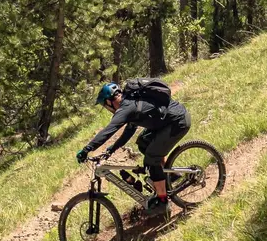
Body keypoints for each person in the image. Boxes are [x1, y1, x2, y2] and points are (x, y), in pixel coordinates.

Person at [76, 80, 191, 215]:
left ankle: (162, 202)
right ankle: (168, 176)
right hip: (168, 122)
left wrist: (86, 149)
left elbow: (108, 130)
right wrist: (112, 149)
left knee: (152, 158)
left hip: (178, 122)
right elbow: (129, 132)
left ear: (109, 102)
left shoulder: (126, 108)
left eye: (105, 106)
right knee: (143, 142)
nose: (108, 110)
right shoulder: (130, 101)